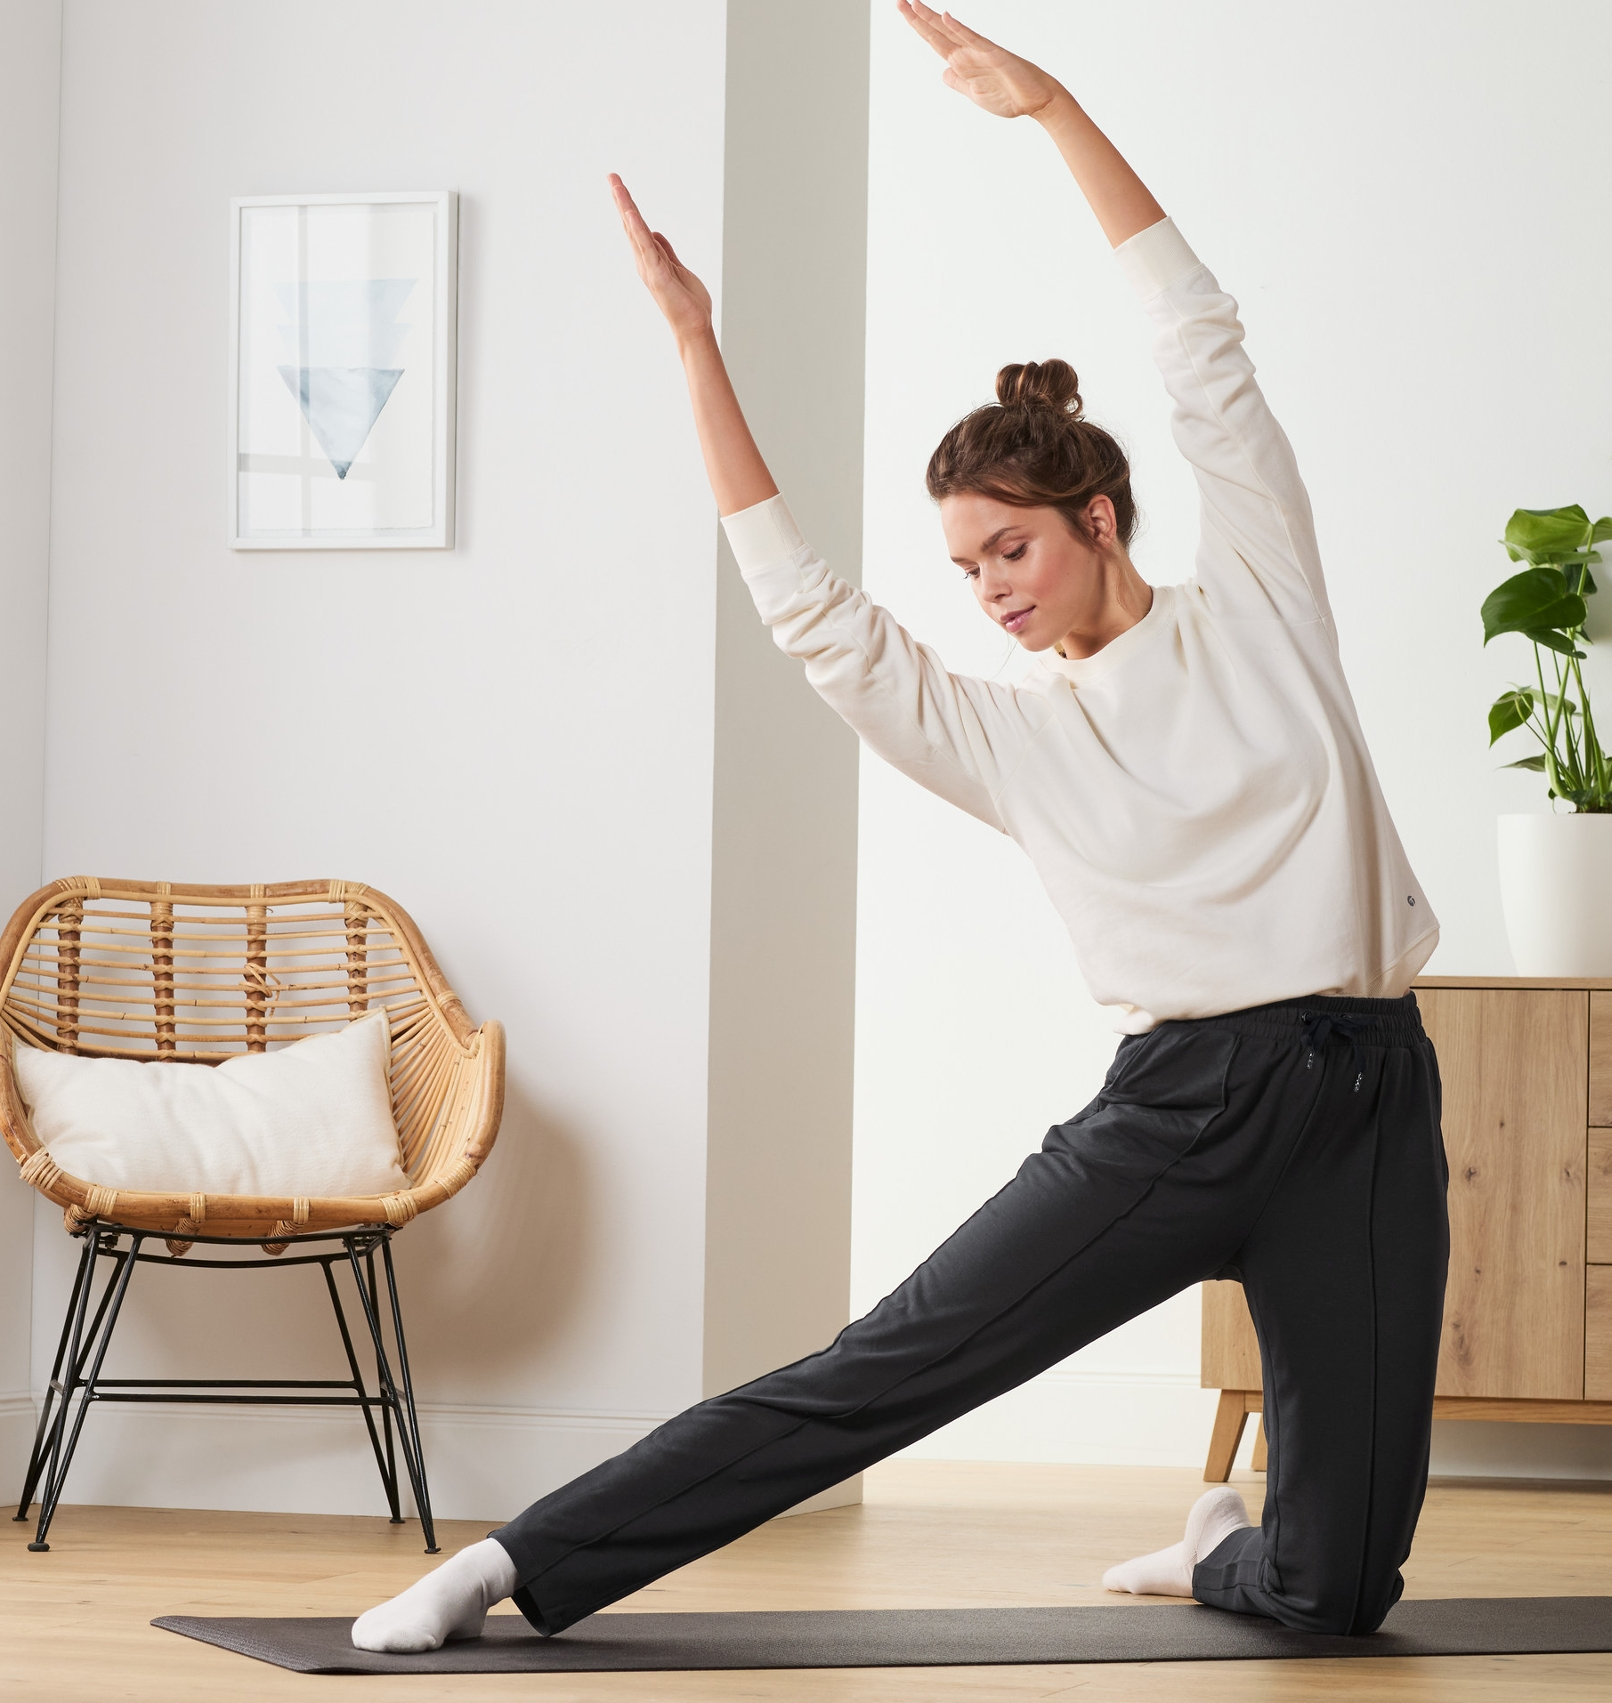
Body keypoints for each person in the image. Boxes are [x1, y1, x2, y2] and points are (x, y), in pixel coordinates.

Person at [351, 2, 1446, 1655]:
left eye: (1009, 550)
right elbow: (816, 621)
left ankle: (1225, 1540)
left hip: (1372, 1095)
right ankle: (516, 1562)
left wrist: (1054, 106)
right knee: (890, 1369)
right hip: (1187, 1110)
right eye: (965, 569)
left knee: (1338, 1595)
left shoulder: (1264, 612)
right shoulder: (1016, 742)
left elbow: (1202, 341)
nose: (990, 593)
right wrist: (695, 346)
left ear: (1095, 516)